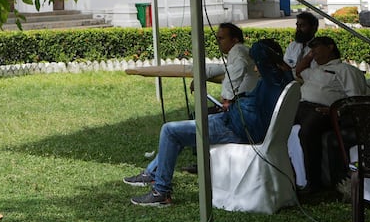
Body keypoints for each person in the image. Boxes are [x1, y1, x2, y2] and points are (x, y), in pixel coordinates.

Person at [125, 40, 294, 207]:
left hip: (236, 129)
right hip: (234, 122)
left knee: (170, 131)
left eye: (258, 63)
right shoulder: (284, 77)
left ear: (268, 62)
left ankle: (161, 191)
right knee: (182, 130)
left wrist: (235, 105)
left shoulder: (273, 81)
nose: (255, 68)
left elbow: (259, 50)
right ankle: (152, 173)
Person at [294, 35, 368, 192]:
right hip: (302, 106)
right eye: (311, 49)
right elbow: (299, 71)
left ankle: (313, 182)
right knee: (276, 123)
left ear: (330, 47)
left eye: (317, 48)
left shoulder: (345, 70)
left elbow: (355, 98)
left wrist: (337, 110)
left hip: (325, 110)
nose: (313, 52)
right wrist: (309, 56)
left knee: (307, 132)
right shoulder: (315, 70)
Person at [214, 22, 259, 108]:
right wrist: (201, 76)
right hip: (246, 102)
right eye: (217, 38)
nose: (218, 42)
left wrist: (227, 98)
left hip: (244, 105)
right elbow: (223, 68)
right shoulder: (239, 50)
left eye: (221, 38)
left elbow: (240, 66)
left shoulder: (237, 50)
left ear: (235, 40)